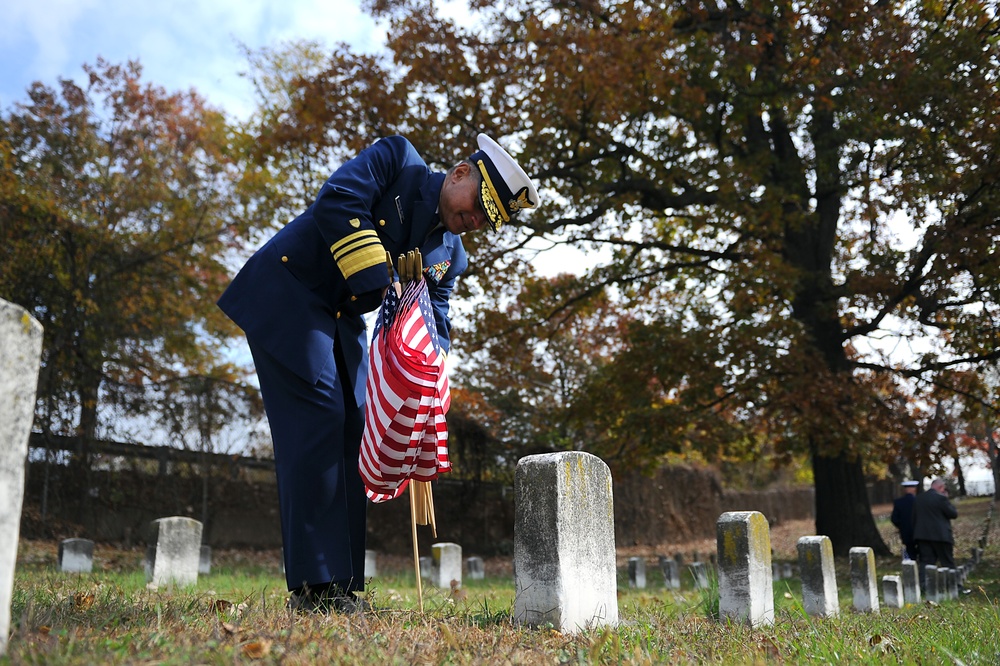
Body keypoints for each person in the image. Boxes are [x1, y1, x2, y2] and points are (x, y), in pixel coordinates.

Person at [218, 134, 539, 612]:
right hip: (288, 291)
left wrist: (428, 379)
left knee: (356, 424)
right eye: (479, 205)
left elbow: (437, 316)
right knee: (319, 422)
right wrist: (381, 279)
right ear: (460, 173)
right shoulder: (397, 162)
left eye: (487, 220)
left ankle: (342, 585)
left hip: (339, 315)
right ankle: (312, 589)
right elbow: (338, 200)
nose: (474, 221)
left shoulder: (451, 253)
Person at [912, 477, 958, 589]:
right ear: (940, 487)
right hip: (940, 536)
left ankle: (923, 585)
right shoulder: (941, 498)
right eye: (943, 489)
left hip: (923, 536)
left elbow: (913, 517)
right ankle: (954, 586)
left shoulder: (919, 498)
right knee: (947, 561)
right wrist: (946, 499)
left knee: (926, 562)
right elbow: (953, 514)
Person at [890, 479, 919, 561]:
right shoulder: (919, 501)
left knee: (910, 554)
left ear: (905, 490)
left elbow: (894, 519)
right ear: (914, 489)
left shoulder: (898, 502)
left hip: (906, 532)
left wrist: (902, 526)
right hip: (920, 532)